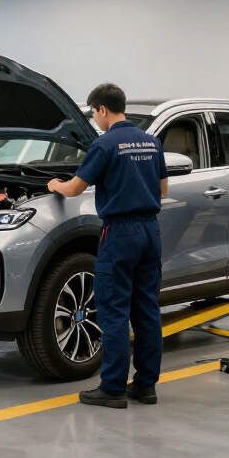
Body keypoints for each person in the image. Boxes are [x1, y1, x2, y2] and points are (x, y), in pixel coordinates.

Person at [48, 83, 169, 408]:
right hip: (149, 232)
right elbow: (164, 189)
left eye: (93, 113)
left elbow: (74, 189)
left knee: (113, 311)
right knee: (146, 310)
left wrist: (54, 184)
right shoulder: (151, 142)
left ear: (102, 109)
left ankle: (113, 388)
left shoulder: (105, 145)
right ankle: (145, 386)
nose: (95, 120)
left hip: (119, 234)